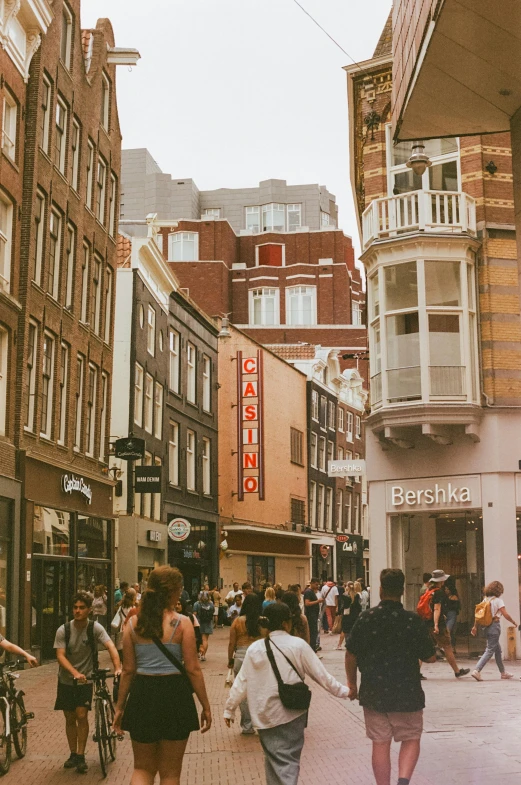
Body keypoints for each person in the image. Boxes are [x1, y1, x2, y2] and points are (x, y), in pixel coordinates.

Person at [224, 602, 348, 785]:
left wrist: (229, 709)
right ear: (285, 623)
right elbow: (321, 676)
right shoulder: (298, 645)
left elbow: (241, 681)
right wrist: (346, 691)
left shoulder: (255, 648)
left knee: (273, 761)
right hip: (292, 711)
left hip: (264, 714)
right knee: (289, 761)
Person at [113, 566, 212, 784]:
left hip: (142, 694)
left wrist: (120, 706)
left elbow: (128, 670)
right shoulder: (182, 623)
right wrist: (205, 705)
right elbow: (193, 669)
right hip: (175, 695)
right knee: (170, 773)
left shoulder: (132, 624)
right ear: (174, 592)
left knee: (142, 768)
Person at [346, 569, 437, 785]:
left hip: (374, 691)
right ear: (402, 591)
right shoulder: (412, 620)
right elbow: (430, 657)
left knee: (380, 743)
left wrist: (352, 684)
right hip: (407, 692)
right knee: (412, 737)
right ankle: (403, 780)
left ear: (380, 589)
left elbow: (351, 654)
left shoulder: (365, 618)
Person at [54, 591, 121, 774]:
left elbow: (111, 647)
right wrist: (74, 673)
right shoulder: (64, 630)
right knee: (69, 717)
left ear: (89, 610)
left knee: (81, 715)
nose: (77, 611)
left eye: (81, 608)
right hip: (67, 679)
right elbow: (60, 656)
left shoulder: (95, 629)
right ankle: (73, 753)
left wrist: (117, 667)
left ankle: (81, 755)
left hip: (87, 679)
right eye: (75, 607)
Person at [227, 593, 262, 734]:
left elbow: (231, 643)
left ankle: (247, 725)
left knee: (242, 691)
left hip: (240, 656)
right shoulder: (263, 621)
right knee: (259, 690)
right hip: (258, 656)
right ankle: (260, 723)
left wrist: (230, 659)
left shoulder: (237, 621)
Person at [424, 570, 470, 678]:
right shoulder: (439, 592)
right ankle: (457, 671)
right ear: (441, 581)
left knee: (425, 647)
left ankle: (416, 672)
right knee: (447, 646)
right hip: (438, 624)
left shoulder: (429, 590)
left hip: (426, 622)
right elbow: (436, 608)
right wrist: (436, 624)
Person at [471, 580, 518, 681]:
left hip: (485, 627)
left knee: (497, 650)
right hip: (494, 626)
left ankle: (503, 673)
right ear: (499, 591)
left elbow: (478, 615)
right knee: (490, 650)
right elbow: (505, 614)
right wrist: (513, 622)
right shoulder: (498, 601)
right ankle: (477, 670)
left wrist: (475, 627)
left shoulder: (485, 600)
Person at [337, 581, 362, 650]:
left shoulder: (344, 596)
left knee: (345, 630)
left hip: (346, 616)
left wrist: (338, 613)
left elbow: (343, 606)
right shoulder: (356, 595)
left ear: (347, 587)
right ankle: (353, 643)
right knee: (353, 629)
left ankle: (347, 643)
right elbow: (358, 606)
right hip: (354, 616)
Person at [115, 588, 137, 663]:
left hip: (122, 629)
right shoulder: (133, 608)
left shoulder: (121, 607)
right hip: (131, 630)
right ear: (133, 597)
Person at [303, 578, 324, 653]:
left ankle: (313, 647)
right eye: (316, 584)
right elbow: (307, 603)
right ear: (311, 583)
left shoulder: (311, 592)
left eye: (318, 585)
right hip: (310, 615)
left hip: (313, 614)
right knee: (313, 631)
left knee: (314, 631)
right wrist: (318, 601)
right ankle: (312, 648)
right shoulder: (308, 592)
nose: (317, 586)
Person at [193, 591, 214, 662]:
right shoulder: (211, 604)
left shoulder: (197, 604)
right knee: (205, 640)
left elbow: (194, 614)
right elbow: (213, 612)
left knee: (198, 639)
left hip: (198, 623)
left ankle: (197, 653)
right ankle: (203, 655)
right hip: (208, 623)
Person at [443, 576, 460, 652]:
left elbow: (455, 607)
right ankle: (452, 647)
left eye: (447, 589)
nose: (446, 590)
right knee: (451, 632)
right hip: (447, 615)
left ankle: (448, 647)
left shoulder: (454, 597)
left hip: (451, 615)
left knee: (448, 630)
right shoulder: (446, 597)